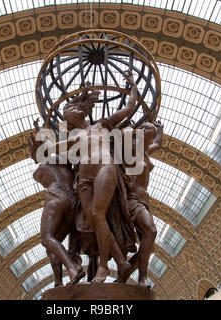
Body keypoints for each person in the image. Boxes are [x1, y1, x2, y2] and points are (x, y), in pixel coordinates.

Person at [53, 70, 138, 283]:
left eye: (74, 108)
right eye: (70, 110)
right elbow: (51, 148)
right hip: (82, 181)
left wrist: (133, 85)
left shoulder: (101, 124)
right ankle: (121, 262)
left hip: (105, 169)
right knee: (93, 218)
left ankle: (103, 266)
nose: (74, 110)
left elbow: (129, 108)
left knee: (98, 214)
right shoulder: (73, 138)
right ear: (69, 120)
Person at [28, 120, 85, 286]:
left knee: (46, 238)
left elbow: (46, 145)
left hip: (56, 197)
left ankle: (72, 268)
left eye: (33, 152)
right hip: (73, 201)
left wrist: (40, 132)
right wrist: (39, 131)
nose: (32, 155)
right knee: (52, 245)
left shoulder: (39, 172)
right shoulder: (65, 160)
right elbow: (49, 143)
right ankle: (59, 283)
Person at [122, 120, 162, 288]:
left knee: (149, 247)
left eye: (152, 136)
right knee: (151, 231)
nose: (151, 139)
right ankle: (142, 278)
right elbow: (123, 135)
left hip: (144, 200)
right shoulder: (130, 148)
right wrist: (130, 128)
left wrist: (160, 129)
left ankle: (124, 274)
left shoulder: (144, 151)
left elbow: (158, 144)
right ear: (141, 134)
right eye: (149, 135)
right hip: (132, 199)